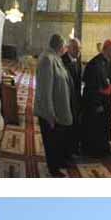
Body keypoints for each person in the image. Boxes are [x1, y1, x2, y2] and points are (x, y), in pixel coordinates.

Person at [34, 33, 73, 177]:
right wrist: (50, 115)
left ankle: (58, 162)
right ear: (60, 46)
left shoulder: (55, 58)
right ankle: (53, 169)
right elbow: (45, 90)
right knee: (52, 142)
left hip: (59, 110)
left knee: (58, 140)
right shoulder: (47, 60)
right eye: (64, 46)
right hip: (51, 113)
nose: (65, 49)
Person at [82, 38, 111, 157]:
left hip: (106, 100)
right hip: (95, 102)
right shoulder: (94, 63)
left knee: (105, 125)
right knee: (95, 126)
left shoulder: (110, 62)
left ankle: (104, 147)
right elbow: (91, 86)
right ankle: (93, 150)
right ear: (106, 50)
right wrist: (97, 104)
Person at [61, 37, 83, 157]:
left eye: (79, 48)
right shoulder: (62, 61)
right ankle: (66, 151)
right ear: (68, 48)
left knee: (75, 125)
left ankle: (73, 148)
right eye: (75, 48)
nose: (78, 51)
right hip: (66, 100)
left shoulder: (77, 60)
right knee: (67, 127)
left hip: (76, 100)